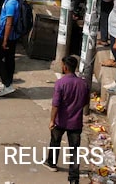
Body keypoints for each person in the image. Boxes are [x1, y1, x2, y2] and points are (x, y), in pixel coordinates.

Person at [47, 55, 87, 183]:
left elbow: (56, 104)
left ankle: (52, 163)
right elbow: (85, 102)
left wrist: (52, 120)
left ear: (65, 68)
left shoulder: (60, 83)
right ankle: (74, 178)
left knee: (55, 141)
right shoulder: (83, 84)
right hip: (76, 122)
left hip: (61, 120)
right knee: (74, 150)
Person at [0, 0, 23, 97]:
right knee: (9, 59)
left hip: (6, 36)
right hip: (13, 36)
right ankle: (7, 82)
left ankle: (7, 84)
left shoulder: (11, 2)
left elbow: (9, 22)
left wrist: (4, 40)